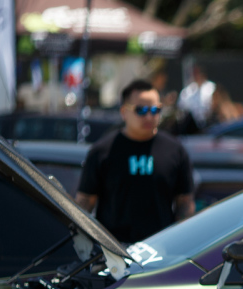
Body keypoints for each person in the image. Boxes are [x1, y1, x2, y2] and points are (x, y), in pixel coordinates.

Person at [76, 79, 195, 244]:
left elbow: (185, 202)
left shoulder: (175, 150)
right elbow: (85, 202)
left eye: (155, 110)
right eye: (141, 110)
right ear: (124, 111)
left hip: (162, 249)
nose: (149, 116)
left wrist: (180, 239)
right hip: (114, 252)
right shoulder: (102, 151)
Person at [178, 65, 215, 131]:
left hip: (210, 124)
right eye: (194, 74)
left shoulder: (212, 88)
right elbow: (181, 109)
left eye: (198, 73)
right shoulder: (187, 91)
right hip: (192, 127)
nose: (197, 76)